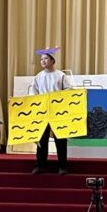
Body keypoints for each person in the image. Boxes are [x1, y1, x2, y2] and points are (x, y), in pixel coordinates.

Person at [28, 46, 75, 175]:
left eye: (46, 58)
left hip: (58, 111)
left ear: (53, 60)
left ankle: (62, 166)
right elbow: (33, 93)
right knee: (42, 138)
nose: (43, 61)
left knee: (60, 138)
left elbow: (69, 90)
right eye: (41, 59)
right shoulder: (38, 77)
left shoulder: (61, 76)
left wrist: (58, 97)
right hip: (43, 111)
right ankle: (40, 164)